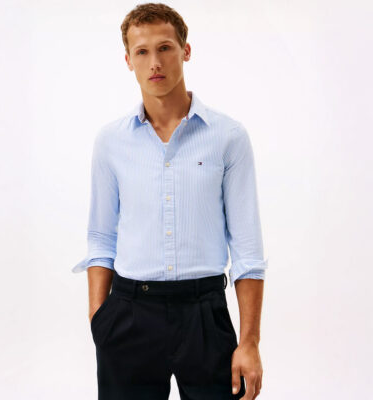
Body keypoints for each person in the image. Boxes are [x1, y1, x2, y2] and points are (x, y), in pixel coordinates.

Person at [72, 3, 268, 399]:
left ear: (185, 51)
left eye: (165, 48)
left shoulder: (228, 137)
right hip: (129, 314)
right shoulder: (111, 142)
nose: (155, 62)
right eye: (142, 51)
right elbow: (101, 237)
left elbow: (247, 249)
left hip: (205, 314)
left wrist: (249, 341)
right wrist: (99, 320)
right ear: (128, 60)